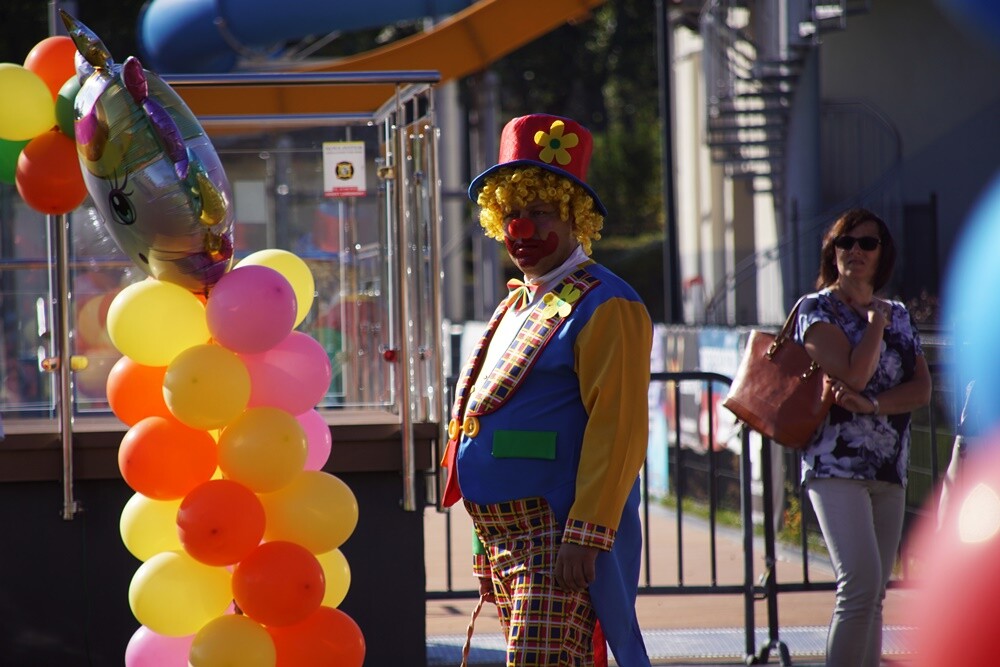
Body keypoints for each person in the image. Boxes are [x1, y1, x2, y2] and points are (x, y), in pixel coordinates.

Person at [439, 113, 653, 667]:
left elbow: (619, 428)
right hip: (504, 535)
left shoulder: (607, 303)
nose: (522, 229)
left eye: (539, 212)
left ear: (576, 218)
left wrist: (587, 533)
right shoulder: (516, 303)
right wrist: (483, 535)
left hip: (556, 534)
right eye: (511, 213)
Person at [794, 207, 932, 667]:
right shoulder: (816, 309)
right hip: (834, 465)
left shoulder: (899, 314)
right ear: (831, 251)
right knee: (857, 584)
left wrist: (871, 405)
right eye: (845, 242)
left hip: (889, 466)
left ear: (882, 254)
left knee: (874, 594)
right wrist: (874, 325)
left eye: (867, 243)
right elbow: (853, 373)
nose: (855, 250)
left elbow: (921, 389)